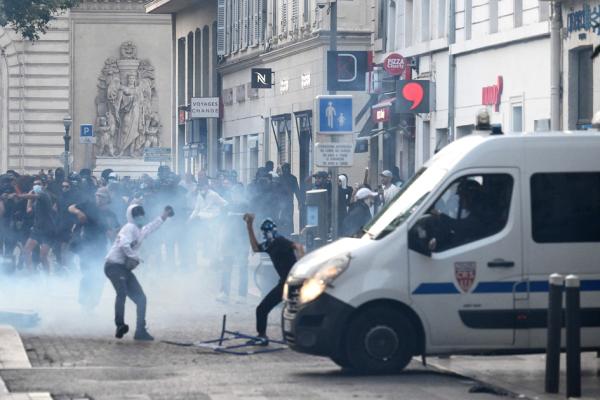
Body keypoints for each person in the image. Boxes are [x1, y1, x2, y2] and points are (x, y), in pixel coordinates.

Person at [104, 204, 174, 341]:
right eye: (137, 215)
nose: (140, 217)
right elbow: (123, 245)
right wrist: (135, 257)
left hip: (123, 268)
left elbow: (151, 227)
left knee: (141, 298)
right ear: (131, 216)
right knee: (122, 293)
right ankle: (120, 325)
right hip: (113, 265)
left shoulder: (140, 230)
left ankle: (140, 331)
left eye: (142, 214)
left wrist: (164, 216)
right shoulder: (129, 228)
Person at [243, 213, 304, 345]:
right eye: (264, 232)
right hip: (284, 283)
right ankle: (262, 336)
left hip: (292, 282)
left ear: (272, 231)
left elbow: (298, 247)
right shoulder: (269, 245)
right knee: (263, 309)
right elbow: (255, 248)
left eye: (267, 232)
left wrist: (302, 266)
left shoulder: (280, 241)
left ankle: (296, 337)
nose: (265, 234)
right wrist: (249, 226)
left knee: (294, 310)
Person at [69, 187, 119, 310]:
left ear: (108, 200)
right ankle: (84, 303)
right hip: (85, 246)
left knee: (100, 277)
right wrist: (79, 212)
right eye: (97, 195)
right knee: (88, 275)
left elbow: (116, 231)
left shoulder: (110, 215)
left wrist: (114, 236)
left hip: (101, 248)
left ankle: (92, 304)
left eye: (102, 197)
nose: (98, 198)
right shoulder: (89, 206)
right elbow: (71, 207)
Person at [278, 163, 300, 236]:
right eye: (284, 168)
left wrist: (300, 202)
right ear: (282, 169)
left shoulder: (293, 178)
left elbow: (297, 191)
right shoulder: (279, 178)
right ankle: (283, 234)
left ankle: (290, 234)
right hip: (280, 203)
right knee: (282, 219)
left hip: (289, 202)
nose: (286, 170)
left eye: (287, 168)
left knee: (289, 219)